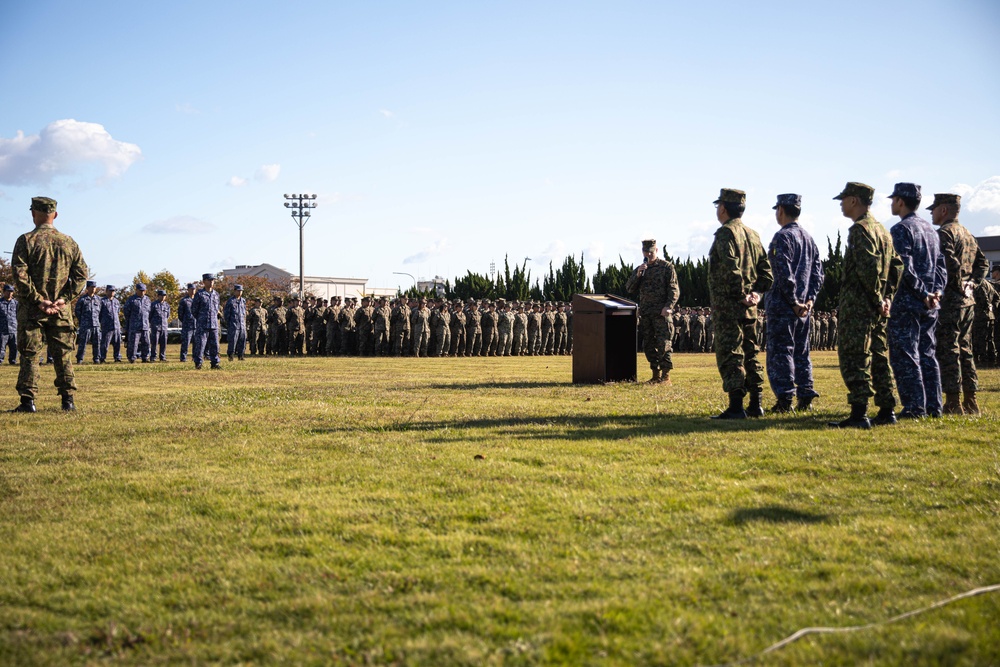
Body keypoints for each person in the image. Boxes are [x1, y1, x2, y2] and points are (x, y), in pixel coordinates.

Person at [828, 182, 902, 429]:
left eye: (844, 198)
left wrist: (877, 298)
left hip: (860, 306)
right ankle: (886, 410)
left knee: (855, 356)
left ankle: (859, 414)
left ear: (854, 201)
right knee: (879, 356)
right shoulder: (882, 230)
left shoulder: (860, 230)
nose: (840, 203)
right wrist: (887, 297)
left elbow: (867, 268)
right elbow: (897, 266)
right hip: (878, 307)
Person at [9, 197, 88, 412]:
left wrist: (38, 300)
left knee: (30, 355)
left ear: (33, 214)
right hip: (61, 311)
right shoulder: (69, 242)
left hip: (33, 311)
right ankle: (68, 401)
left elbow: (19, 274)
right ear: (55, 215)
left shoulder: (26, 240)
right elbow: (82, 275)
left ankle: (28, 402)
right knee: (63, 355)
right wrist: (64, 299)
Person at [707, 188, 773, 419]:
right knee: (751, 352)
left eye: (718, 206)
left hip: (730, 306)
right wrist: (756, 293)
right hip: (750, 308)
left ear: (723, 208)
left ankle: (736, 406)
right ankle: (756, 403)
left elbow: (730, 267)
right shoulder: (753, 235)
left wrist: (741, 293)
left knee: (731, 353)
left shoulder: (726, 233)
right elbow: (766, 271)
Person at [886, 183, 946, 419]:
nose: (891, 203)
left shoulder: (901, 229)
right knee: (928, 354)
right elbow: (941, 265)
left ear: (901, 201)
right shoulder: (930, 229)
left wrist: (923, 293)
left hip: (909, 303)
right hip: (930, 303)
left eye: (894, 199)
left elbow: (904, 268)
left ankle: (914, 407)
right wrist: (936, 292)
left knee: (906, 355)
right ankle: (934, 406)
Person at [764, 194, 824, 412]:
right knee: (801, 351)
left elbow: (782, 273)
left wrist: (794, 301)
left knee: (781, 352)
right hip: (803, 310)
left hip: (784, 307)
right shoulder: (809, 239)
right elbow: (818, 274)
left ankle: (785, 398)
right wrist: (809, 301)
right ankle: (805, 394)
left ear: (781, 210)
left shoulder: (782, 238)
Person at [931, 193, 989, 414]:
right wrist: (972, 284)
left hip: (951, 301)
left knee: (949, 350)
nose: (932, 213)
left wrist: (956, 286)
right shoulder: (968, 234)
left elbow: (949, 263)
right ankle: (971, 401)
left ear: (944, 210)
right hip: (968, 302)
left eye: (934, 208)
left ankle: (953, 402)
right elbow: (982, 263)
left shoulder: (944, 233)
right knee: (966, 349)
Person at [625, 238, 680, 383]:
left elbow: (674, 289)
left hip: (661, 313)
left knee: (664, 344)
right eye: (645, 252)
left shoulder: (666, 267)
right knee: (648, 345)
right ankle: (655, 375)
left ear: (656, 250)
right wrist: (638, 275)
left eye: (650, 252)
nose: (648, 255)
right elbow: (630, 289)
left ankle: (666, 376)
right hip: (646, 313)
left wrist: (669, 306)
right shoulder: (640, 269)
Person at [192, 273, 222, 369]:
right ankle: (198, 363)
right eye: (209, 280)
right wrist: (201, 318)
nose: (211, 282)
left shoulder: (216, 294)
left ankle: (215, 363)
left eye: (213, 280)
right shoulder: (199, 294)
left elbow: (217, 308)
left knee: (215, 345)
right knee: (200, 344)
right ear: (204, 282)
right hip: (203, 324)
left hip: (213, 324)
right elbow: (194, 310)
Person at [74, 280, 102, 364]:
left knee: (97, 343)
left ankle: (96, 358)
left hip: (96, 325)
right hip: (85, 325)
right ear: (87, 288)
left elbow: (100, 311)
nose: (93, 289)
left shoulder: (98, 299)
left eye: (94, 287)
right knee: (82, 343)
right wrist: (83, 320)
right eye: (91, 287)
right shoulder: (82, 299)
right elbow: (77, 311)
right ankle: (80, 359)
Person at [123, 283, 152, 363]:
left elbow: (149, 312)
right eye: (140, 290)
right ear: (136, 290)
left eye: (144, 290)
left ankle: (145, 357)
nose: (142, 292)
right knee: (133, 343)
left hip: (145, 325)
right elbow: (126, 312)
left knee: (146, 342)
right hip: (135, 326)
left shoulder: (147, 300)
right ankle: (132, 358)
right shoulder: (131, 300)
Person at [99, 285, 122, 363]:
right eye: (110, 291)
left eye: (113, 291)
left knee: (117, 343)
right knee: (105, 343)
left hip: (116, 326)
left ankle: (117, 357)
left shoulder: (116, 301)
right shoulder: (102, 301)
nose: (112, 292)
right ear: (106, 291)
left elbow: (118, 312)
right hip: (107, 326)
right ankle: (102, 358)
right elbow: (99, 313)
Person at [224, 284, 247, 361]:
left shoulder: (243, 301)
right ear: (234, 291)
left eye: (241, 291)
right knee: (233, 341)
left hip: (242, 325)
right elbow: (226, 314)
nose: (240, 292)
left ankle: (241, 355)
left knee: (242, 341)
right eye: (238, 291)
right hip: (233, 325)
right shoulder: (231, 301)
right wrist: (229, 323)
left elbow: (244, 313)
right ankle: (231, 355)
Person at [177, 283, 197, 362]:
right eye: (191, 289)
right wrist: (186, 320)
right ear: (188, 290)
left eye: (194, 289)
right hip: (187, 325)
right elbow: (180, 314)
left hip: (196, 325)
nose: (193, 291)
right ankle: (183, 358)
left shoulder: (197, 299)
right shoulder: (184, 301)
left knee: (197, 343)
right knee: (186, 343)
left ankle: (195, 357)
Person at [149, 289, 170, 361]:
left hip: (164, 327)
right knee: (154, 343)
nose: (163, 297)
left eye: (164, 296)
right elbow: (150, 315)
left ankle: (162, 357)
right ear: (158, 296)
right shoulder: (153, 304)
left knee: (163, 343)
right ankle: (153, 357)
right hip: (156, 327)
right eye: (162, 296)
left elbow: (167, 315)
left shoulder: (167, 305)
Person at [0, 284, 18, 365]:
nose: (10, 293)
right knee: (1, 348)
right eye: (8, 291)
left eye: (11, 292)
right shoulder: (0, 303)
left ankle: (12, 361)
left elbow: (19, 315)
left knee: (14, 347)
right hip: (2, 329)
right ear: (4, 292)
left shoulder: (16, 303)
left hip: (13, 329)